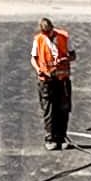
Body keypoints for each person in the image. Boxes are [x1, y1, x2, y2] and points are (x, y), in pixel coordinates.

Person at [30, 19, 76, 149]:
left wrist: (66, 58)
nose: (48, 35)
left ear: (52, 28)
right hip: (47, 79)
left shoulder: (64, 37)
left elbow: (73, 55)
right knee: (49, 109)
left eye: (50, 32)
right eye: (45, 33)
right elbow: (33, 58)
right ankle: (50, 138)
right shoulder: (38, 39)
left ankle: (62, 137)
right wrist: (38, 69)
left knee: (63, 108)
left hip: (62, 78)